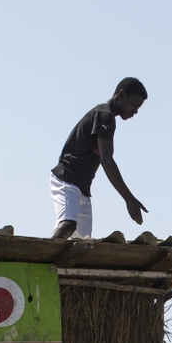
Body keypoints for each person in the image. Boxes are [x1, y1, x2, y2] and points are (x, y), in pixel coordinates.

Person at [50, 78, 148, 240]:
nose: (135, 112)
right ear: (121, 95)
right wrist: (129, 198)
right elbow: (106, 159)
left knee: (82, 241)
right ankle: (39, 254)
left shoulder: (107, 117)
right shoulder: (104, 115)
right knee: (68, 225)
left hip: (83, 187)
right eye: (134, 105)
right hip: (67, 179)